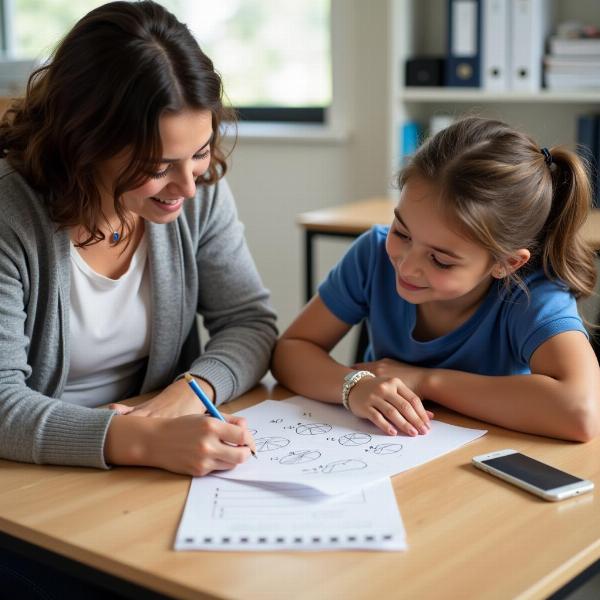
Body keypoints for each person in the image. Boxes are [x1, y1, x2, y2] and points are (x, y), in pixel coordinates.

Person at [0, 0, 278, 478]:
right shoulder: (10, 214)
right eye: (156, 167)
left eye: (200, 152)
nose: (188, 186)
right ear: (85, 142)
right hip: (30, 477)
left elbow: (249, 322)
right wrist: (140, 438)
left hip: (143, 465)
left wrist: (189, 394)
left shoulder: (197, 191)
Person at [272, 116, 600, 442]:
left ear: (506, 263)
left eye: (440, 260)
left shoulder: (532, 293)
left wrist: (426, 381)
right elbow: (291, 351)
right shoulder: (372, 255)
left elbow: (582, 411)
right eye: (401, 232)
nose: (407, 266)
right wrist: (353, 386)